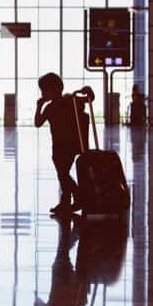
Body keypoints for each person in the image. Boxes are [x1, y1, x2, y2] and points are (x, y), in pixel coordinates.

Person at [34, 73, 91, 214]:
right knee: (62, 174)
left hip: (62, 146)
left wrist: (39, 106)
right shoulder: (69, 101)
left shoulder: (61, 103)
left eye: (44, 90)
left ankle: (77, 197)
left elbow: (37, 122)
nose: (42, 93)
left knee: (62, 174)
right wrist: (88, 91)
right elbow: (89, 99)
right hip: (66, 145)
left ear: (53, 89)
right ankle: (67, 202)